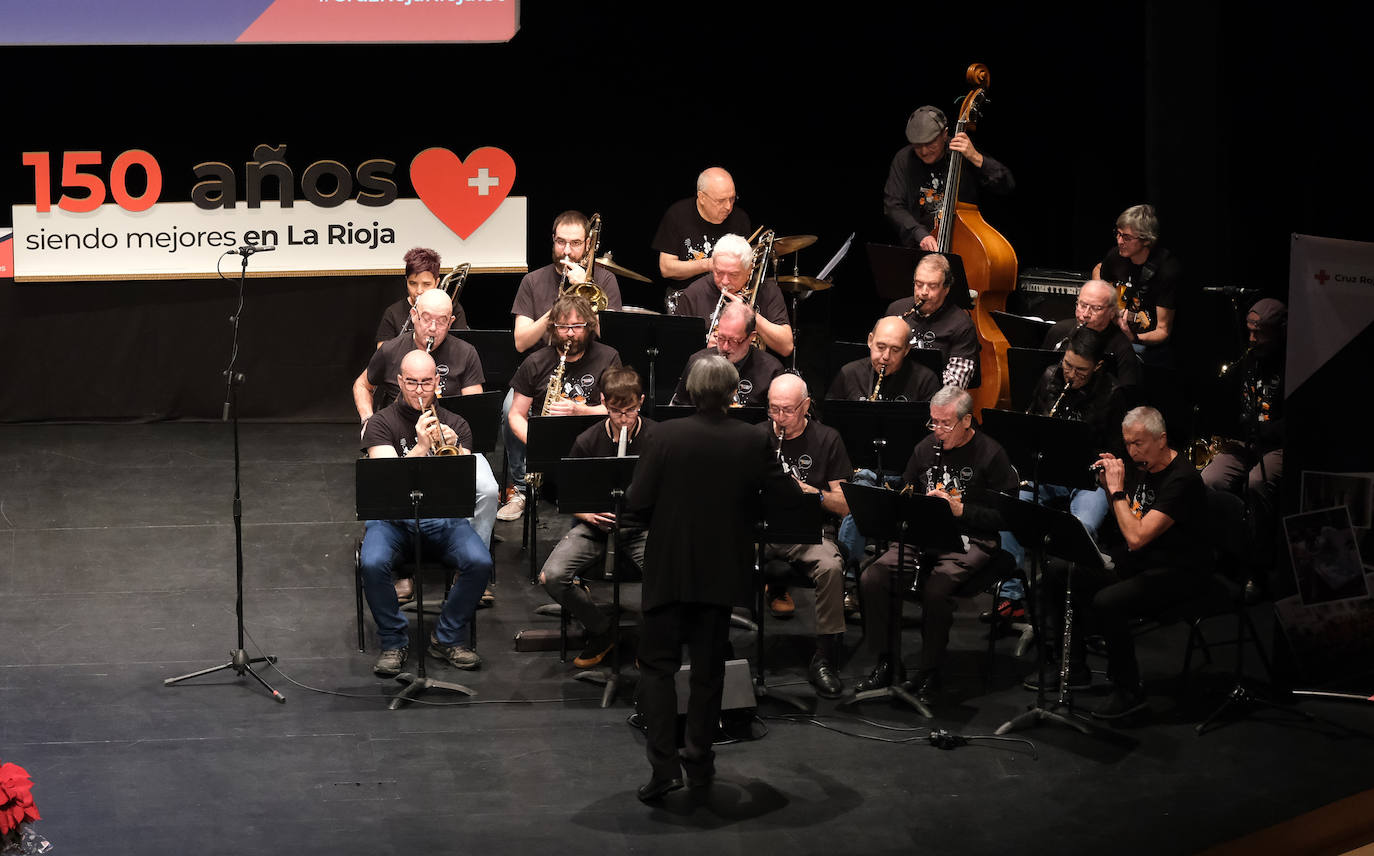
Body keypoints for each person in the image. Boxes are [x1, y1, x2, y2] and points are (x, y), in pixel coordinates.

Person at [626, 355, 798, 802]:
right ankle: (699, 761)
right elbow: (781, 499)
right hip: (721, 570)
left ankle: (663, 768)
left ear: (689, 390)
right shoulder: (753, 439)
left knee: (657, 669)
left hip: (668, 569)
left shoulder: (664, 435)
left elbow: (638, 501)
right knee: (708, 672)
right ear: (733, 391)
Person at [856, 386, 1017, 700]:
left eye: (945, 424)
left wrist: (960, 509)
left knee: (937, 588)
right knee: (872, 576)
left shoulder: (991, 454)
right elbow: (906, 491)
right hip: (922, 535)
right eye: (933, 422)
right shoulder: (925, 449)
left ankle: (930, 671)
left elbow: (1006, 517)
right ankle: (887, 661)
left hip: (971, 538)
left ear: (967, 421)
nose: (937, 431)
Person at [1050, 406, 1210, 719]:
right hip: (1141, 560)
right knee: (1061, 569)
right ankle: (1074, 668)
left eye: (1140, 443)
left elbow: (1136, 537)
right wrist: (1108, 486)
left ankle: (1129, 690)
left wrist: (1118, 489)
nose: (1133, 451)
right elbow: (1126, 521)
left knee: (1108, 601)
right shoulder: (1140, 465)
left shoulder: (1183, 480)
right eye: (1128, 444)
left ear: (1161, 439)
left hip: (1179, 571)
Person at [358, 350, 494, 676]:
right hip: (393, 521)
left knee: (480, 563)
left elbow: (463, 484)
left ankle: (446, 637)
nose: (420, 391)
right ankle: (393, 641)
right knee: (372, 563)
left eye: (427, 383)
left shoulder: (457, 424)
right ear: (400, 381)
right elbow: (388, 483)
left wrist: (457, 451)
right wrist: (420, 448)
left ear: (438, 383)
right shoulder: (380, 424)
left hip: (442, 518)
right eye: (413, 383)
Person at [998, 327, 1127, 617]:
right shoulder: (1049, 377)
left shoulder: (1112, 394)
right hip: (1048, 473)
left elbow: (1116, 451)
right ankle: (1011, 597)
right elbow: (1029, 424)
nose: (1070, 375)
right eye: (1067, 365)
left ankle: (1065, 606)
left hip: (1088, 480)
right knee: (1010, 510)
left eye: (1080, 371)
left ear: (1098, 366)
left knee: (1081, 527)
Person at [537, 366, 655, 669]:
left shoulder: (657, 438)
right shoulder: (587, 441)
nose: (623, 418)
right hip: (596, 528)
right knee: (552, 576)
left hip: (643, 527)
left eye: (629, 410)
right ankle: (602, 631)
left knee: (670, 576)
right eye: (615, 411)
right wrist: (587, 514)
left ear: (640, 401)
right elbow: (564, 496)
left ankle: (654, 642)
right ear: (604, 402)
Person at [757, 373, 852, 698]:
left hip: (809, 531)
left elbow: (845, 506)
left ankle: (824, 657)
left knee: (830, 567)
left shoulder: (828, 439)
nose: (779, 418)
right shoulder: (756, 436)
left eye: (787, 410)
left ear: (806, 406)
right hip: (762, 528)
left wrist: (815, 493)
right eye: (773, 410)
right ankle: (721, 647)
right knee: (719, 552)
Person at [500, 295, 623, 520]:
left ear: (590, 326)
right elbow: (516, 414)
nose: (570, 333)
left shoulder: (608, 357)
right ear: (552, 328)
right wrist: (538, 444)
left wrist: (580, 411)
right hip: (550, 451)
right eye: (563, 327)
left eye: (577, 326)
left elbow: (618, 411)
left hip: (594, 447)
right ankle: (526, 492)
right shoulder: (535, 362)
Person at [1201, 298, 1286, 538]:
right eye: (1249, 332)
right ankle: (1223, 544)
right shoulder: (1250, 359)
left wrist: (1262, 430)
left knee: (1257, 482)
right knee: (1209, 479)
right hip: (1247, 442)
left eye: (1259, 334)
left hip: (1276, 445)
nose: (1252, 340)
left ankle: (1259, 545)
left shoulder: (1292, 363)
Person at [883, 105, 1014, 251]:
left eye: (929, 143)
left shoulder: (963, 152)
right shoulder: (904, 158)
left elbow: (1006, 185)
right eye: (917, 145)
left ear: (944, 134)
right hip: (920, 248)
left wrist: (975, 157)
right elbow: (893, 205)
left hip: (964, 247)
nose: (924, 151)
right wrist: (918, 233)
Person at [354, 289, 484, 418]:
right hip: (397, 432)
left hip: (447, 430)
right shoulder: (390, 349)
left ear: (450, 322)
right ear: (414, 315)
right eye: (426, 319)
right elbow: (362, 385)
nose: (433, 328)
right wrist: (367, 420)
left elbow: (472, 409)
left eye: (442, 321)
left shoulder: (466, 353)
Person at [511, 211, 623, 354]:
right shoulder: (532, 280)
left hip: (593, 367)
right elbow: (521, 343)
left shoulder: (606, 279)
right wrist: (555, 312)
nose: (567, 251)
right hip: (545, 366)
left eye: (575, 243)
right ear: (553, 239)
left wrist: (585, 288)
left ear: (587, 243)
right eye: (561, 242)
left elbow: (613, 338)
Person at [669, 233, 794, 357]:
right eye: (718, 272)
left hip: (754, 372)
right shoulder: (694, 293)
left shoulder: (768, 290)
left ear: (749, 269)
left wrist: (751, 316)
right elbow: (676, 348)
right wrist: (704, 347)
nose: (724, 281)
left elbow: (786, 347)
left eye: (733, 275)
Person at [1091, 204, 1183, 365]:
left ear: (1147, 240)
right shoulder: (1116, 255)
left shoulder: (1166, 270)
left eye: (1126, 237)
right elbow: (1098, 269)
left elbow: (1163, 331)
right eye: (1117, 234)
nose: (1119, 241)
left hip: (1144, 343)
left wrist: (1133, 337)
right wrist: (1104, 301)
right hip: (1113, 330)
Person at [884, 253, 979, 388]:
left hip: (934, 402)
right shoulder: (896, 310)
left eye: (932, 286)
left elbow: (955, 385)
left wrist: (913, 384)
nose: (923, 292)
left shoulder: (962, 324)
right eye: (919, 284)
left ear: (946, 289)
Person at [669, 303, 782, 408]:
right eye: (721, 338)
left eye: (734, 340)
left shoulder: (771, 370)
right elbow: (678, 408)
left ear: (751, 337)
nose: (725, 347)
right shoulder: (697, 362)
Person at [651, 167, 752, 282]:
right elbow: (666, 268)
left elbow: (746, 267)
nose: (728, 206)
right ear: (702, 197)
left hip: (726, 293)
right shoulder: (677, 214)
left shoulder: (740, 218)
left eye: (732, 199)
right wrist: (709, 264)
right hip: (686, 294)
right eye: (720, 201)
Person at [1041, 279, 1144, 391]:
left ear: (1112, 312)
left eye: (1096, 308)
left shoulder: (1122, 349)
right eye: (1083, 305)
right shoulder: (1058, 331)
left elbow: (1126, 396)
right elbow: (1040, 376)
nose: (1085, 314)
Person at [828, 315, 942, 402]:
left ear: (906, 349)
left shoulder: (925, 380)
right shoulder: (849, 374)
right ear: (870, 341)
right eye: (881, 347)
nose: (886, 356)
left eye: (895, 350)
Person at [373, 246, 468, 347]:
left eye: (426, 284)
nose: (419, 291)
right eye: (413, 283)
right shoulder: (393, 312)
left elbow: (461, 350)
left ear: (437, 283)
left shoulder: (453, 309)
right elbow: (382, 354)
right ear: (406, 281)